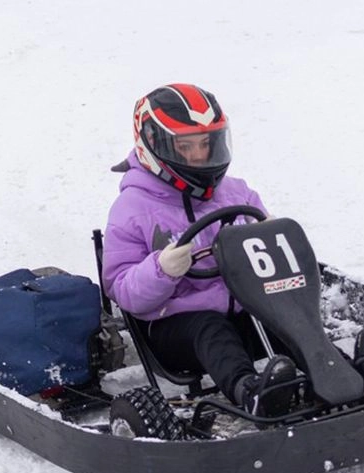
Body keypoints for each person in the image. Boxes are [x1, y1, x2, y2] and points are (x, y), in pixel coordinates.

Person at [101, 83, 297, 417]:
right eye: (185, 146)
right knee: (210, 328)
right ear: (154, 144)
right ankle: (250, 394)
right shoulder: (131, 209)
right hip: (178, 330)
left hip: (244, 310)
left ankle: (342, 369)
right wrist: (161, 269)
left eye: (205, 145)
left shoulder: (238, 194)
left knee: (289, 312)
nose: (198, 156)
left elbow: (271, 263)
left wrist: (272, 237)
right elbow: (121, 289)